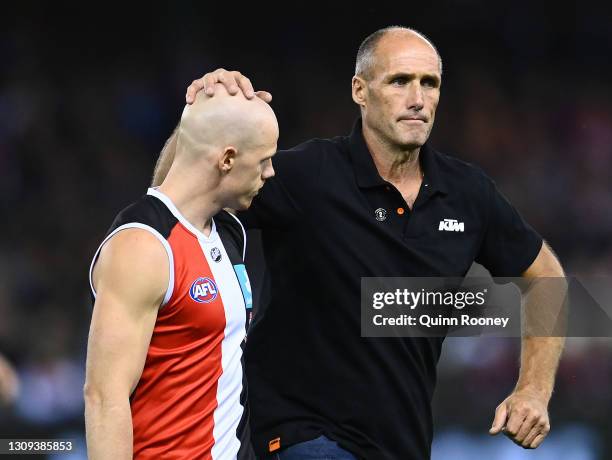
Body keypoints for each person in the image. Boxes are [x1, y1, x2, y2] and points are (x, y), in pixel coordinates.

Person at [154, 26, 565, 459]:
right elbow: (172, 198)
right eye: (399, 81)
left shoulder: (468, 194)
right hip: (301, 436)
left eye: (430, 83)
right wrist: (197, 123)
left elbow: (546, 277)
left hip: (403, 443)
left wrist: (534, 390)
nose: (417, 98)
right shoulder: (306, 176)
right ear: (360, 91)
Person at [85, 85, 278, 459]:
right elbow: (104, 398)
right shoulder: (143, 248)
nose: (271, 172)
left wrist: (206, 94)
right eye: (264, 160)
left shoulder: (227, 231)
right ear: (227, 160)